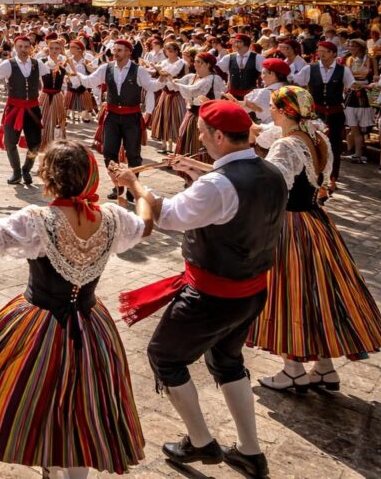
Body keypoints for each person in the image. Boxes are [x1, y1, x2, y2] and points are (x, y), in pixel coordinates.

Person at [0, 141, 149, 476]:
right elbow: (147, 223)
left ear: (49, 178)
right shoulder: (112, 219)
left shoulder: (38, 220)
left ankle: (51, 466)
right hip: (91, 324)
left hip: (39, 323)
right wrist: (135, 185)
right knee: (84, 406)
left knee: (40, 398)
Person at [110, 99, 287, 479]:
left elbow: (167, 215)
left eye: (204, 134)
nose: (200, 139)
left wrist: (133, 182)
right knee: (227, 361)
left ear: (220, 136)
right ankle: (250, 452)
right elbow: (231, 192)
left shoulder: (216, 186)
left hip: (213, 295)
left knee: (165, 357)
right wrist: (196, 171)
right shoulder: (271, 172)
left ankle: (201, 441)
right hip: (252, 290)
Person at [248, 86, 381, 392]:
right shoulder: (318, 137)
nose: (270, 110)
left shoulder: (288, 145)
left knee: (290, 293)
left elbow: (274, 186)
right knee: (318, 293)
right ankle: (324, 367)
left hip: (291, 227)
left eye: (273, 106)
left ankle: (293, 368)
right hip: (316, 223)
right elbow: (269, 136)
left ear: (285, 111)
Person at [70, 39, 160, 198]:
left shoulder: (138, 70)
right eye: (115, 49)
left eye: (119, 50)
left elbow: (151, 87)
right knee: (109, 152)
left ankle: (133, 187)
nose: (115, 52)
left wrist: (162, 81)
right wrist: (75, 72)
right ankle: (117, 184)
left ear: (128, 52)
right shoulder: (106, 68)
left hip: (132, 117)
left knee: (133, 154)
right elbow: (90, 81)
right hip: (111, 116)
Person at [0, 35, 51, 185]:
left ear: (31, 48)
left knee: (35, 144)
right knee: (10, 142)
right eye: (20, 47)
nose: (23, 49)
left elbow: (52, 74)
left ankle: (26, 169)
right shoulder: (8, 64)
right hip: (14, 108)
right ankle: (16, 172)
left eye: (26, 46)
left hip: (32, 108)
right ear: (15, 48)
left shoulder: (38, 64)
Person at [290, 40, 354, 191]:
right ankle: (314, 177)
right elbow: (296, 83)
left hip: (335, 113)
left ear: (333, 54)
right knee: (313, 144)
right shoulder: (309, 69)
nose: (321, 53)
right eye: (319, 50)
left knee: (335, 146)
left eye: (325, 51)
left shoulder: (343, 70)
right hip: (315, 114)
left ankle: (332, 178)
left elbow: (352, 86)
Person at [166, 51, 226, 163]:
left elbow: (192, 91)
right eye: (195, 61)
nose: (195, 64)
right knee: (185, 141)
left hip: (206, 118)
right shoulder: (192, 77)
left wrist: (175, 83)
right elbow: (175, 85)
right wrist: (169, 78)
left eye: (199, 62)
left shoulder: (213, 79)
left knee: (199, 144)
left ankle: (200, 171)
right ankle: (187, 174)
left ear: (208, 65)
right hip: (190, 114)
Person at [149, 42, 188, 154]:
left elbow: (174, 73)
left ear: (176, 51)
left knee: (175, 118)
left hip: (176, 93)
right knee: (164, 117)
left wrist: (159, 69)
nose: (168, 52)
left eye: (171, 50)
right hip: (165, 93)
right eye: (166, 50)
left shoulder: (181, 63)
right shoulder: (164, 62)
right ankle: (164, 144)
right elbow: (160, 76)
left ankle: (174, 145)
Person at [341, 39, 374, 164]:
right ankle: (353, 151)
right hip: (351, 94)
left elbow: (373, 77)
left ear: (360, 47)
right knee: (353, 128)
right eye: (350, 46)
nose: (350, 48)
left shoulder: (370, 59)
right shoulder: (349, 60)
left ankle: (358, 153)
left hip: (364, 95)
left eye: (353, 46)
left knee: (357, 128)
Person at [36, 35, 69, 148]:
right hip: (45, 94)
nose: (54, 51)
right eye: (52, 48)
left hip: (58, 95)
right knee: (43, 120)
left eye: (57, 48)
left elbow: (72, 78)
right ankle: (43, 145)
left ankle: (57, 146)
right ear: (48, 49)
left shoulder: (65, 62)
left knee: (59, 122)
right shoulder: (41, 61)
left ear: (61, 49)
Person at [217, 34, 264, 99]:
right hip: (233, 95)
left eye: (238, 42)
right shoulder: (228, 58)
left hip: (251, 95)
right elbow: (218, 72)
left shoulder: (258, 58)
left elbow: (264, 75)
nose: (235, 44)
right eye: (235, 42)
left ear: (246, 43)